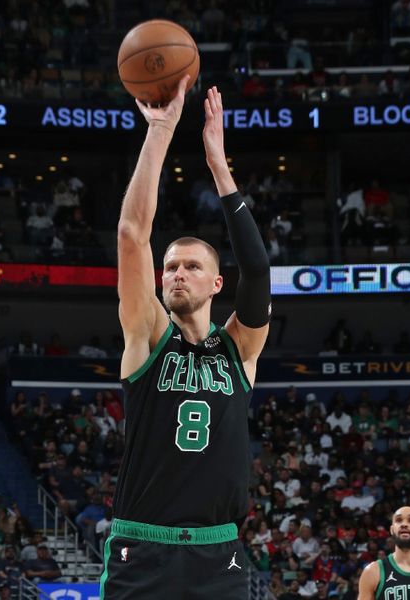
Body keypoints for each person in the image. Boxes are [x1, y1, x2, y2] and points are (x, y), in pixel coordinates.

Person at [101, 79, 270, 600]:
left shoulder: (238, 349)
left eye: (191, 266)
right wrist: (161, 129)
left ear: (217, 283)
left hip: (218, 553)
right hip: (142, 546)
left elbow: (258, 271)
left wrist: (220, 167)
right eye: (170, 265)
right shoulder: (149, 334)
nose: (175, 273)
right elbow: (133, 235)